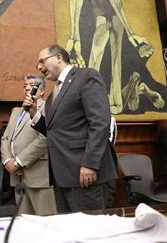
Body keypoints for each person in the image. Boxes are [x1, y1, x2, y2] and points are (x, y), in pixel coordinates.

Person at [24, 44, 117, 213]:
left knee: (90, 231)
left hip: (85, 174)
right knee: (70, 230)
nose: (38, 67)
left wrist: (90, 164)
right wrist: (34, 114)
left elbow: (99, 123)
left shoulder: (87, 77)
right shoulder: (54, 94)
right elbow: (54, 132)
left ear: (59, 57)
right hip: (62, 177)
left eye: (41, 61)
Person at [1, 74, 57, 216]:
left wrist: (19, 162)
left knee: (46, 222)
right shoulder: (16, 111)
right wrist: (8, 161)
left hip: (38, 176)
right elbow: (5, 138)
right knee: (24, 222)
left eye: (32, 85)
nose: (27, 88)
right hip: (18, 177)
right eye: (24, 85)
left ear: (42, 91)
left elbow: (44, 138)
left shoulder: (47, 108)